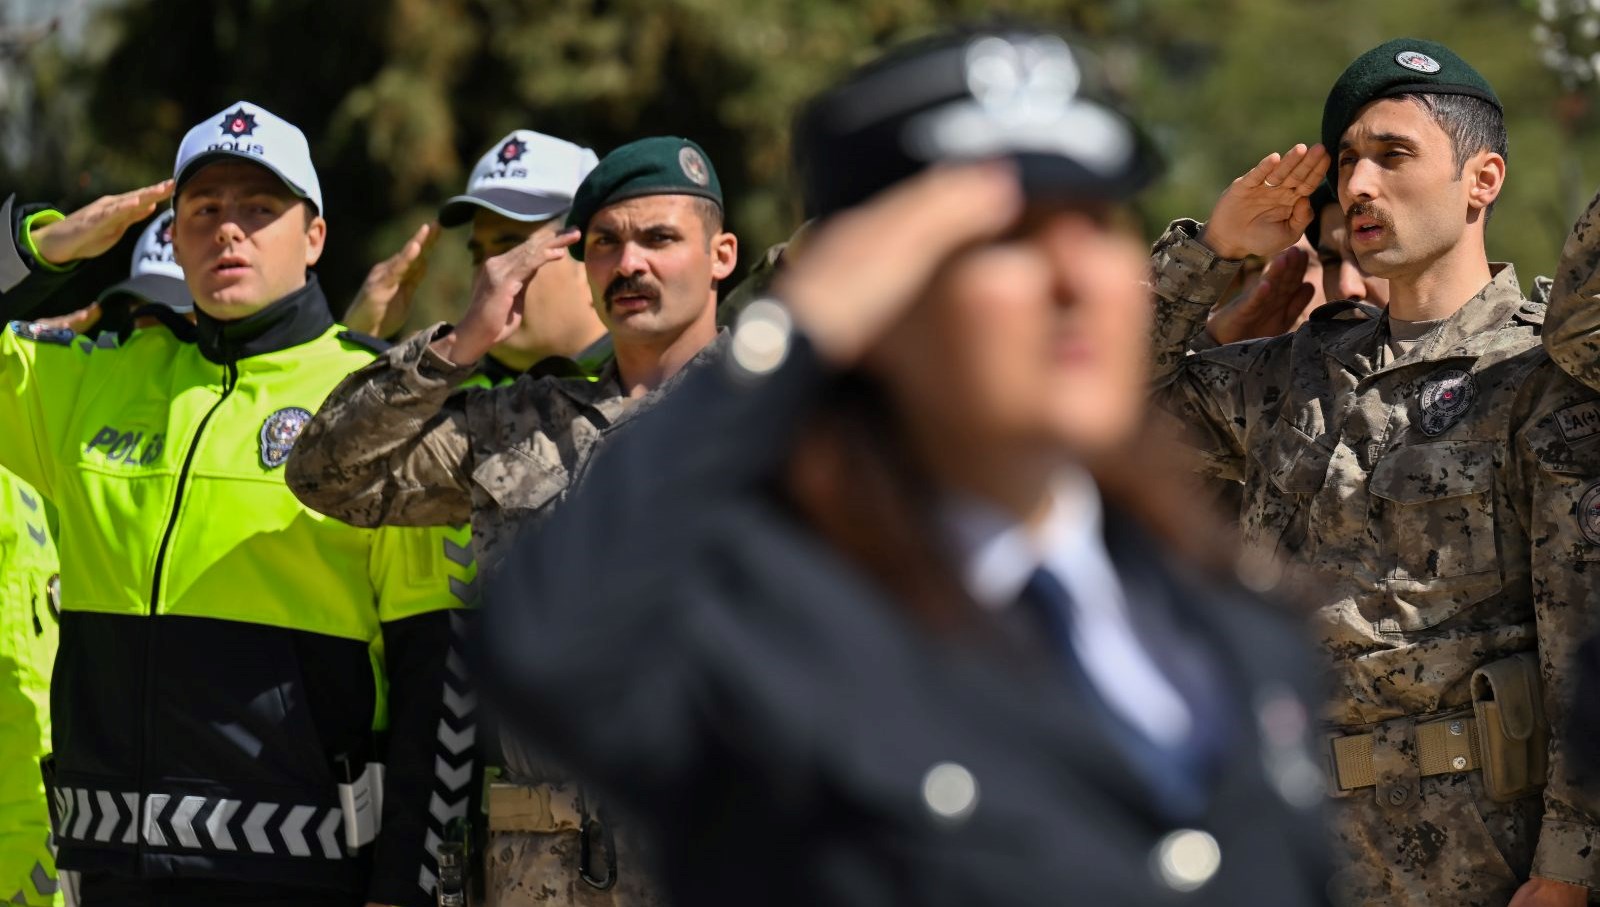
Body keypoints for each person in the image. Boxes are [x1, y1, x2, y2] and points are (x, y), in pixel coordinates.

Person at [473, 26, 1332, 906]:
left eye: (1096, 223)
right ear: (879, 294)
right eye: (1006, 238)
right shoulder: (777, 634)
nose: (1074, 275)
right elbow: (549, 645)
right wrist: (790, 336)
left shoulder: (1236, 635)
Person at [1148, 39, 1600, 906]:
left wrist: (1567, 870)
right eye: (1348, 163)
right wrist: (1212, 252)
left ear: (1483, 180)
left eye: (1393, 157)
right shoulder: (1291, 377)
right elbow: (1090, 406)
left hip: (1478, 860)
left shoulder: (1535, 377)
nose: (1358, 187)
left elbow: (1586, 637)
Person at [1, 100, 471, 907]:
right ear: (172, 235)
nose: (229, 230)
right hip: (107, 878)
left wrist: (408, 889)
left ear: (314, 236)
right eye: (205, 210)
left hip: (302, 879)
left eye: (260, 209)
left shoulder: (383, 401)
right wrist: (40, 248)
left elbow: (440, 682)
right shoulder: (88, 383)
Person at [288, 135, 738, 905]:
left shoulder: (786, 418)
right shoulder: (517, 422)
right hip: (542, 871)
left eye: (660, 238)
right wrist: (461, 345)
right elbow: (325, 472)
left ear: (721, 254)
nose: (631, 264)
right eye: (606, 243)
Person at [343, 129, 610, 378]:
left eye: (514, 252)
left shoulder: (643, 389)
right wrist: (357, 340)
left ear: (591, 258)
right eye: (478, 255)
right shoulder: (446, 390)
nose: (491, 272)